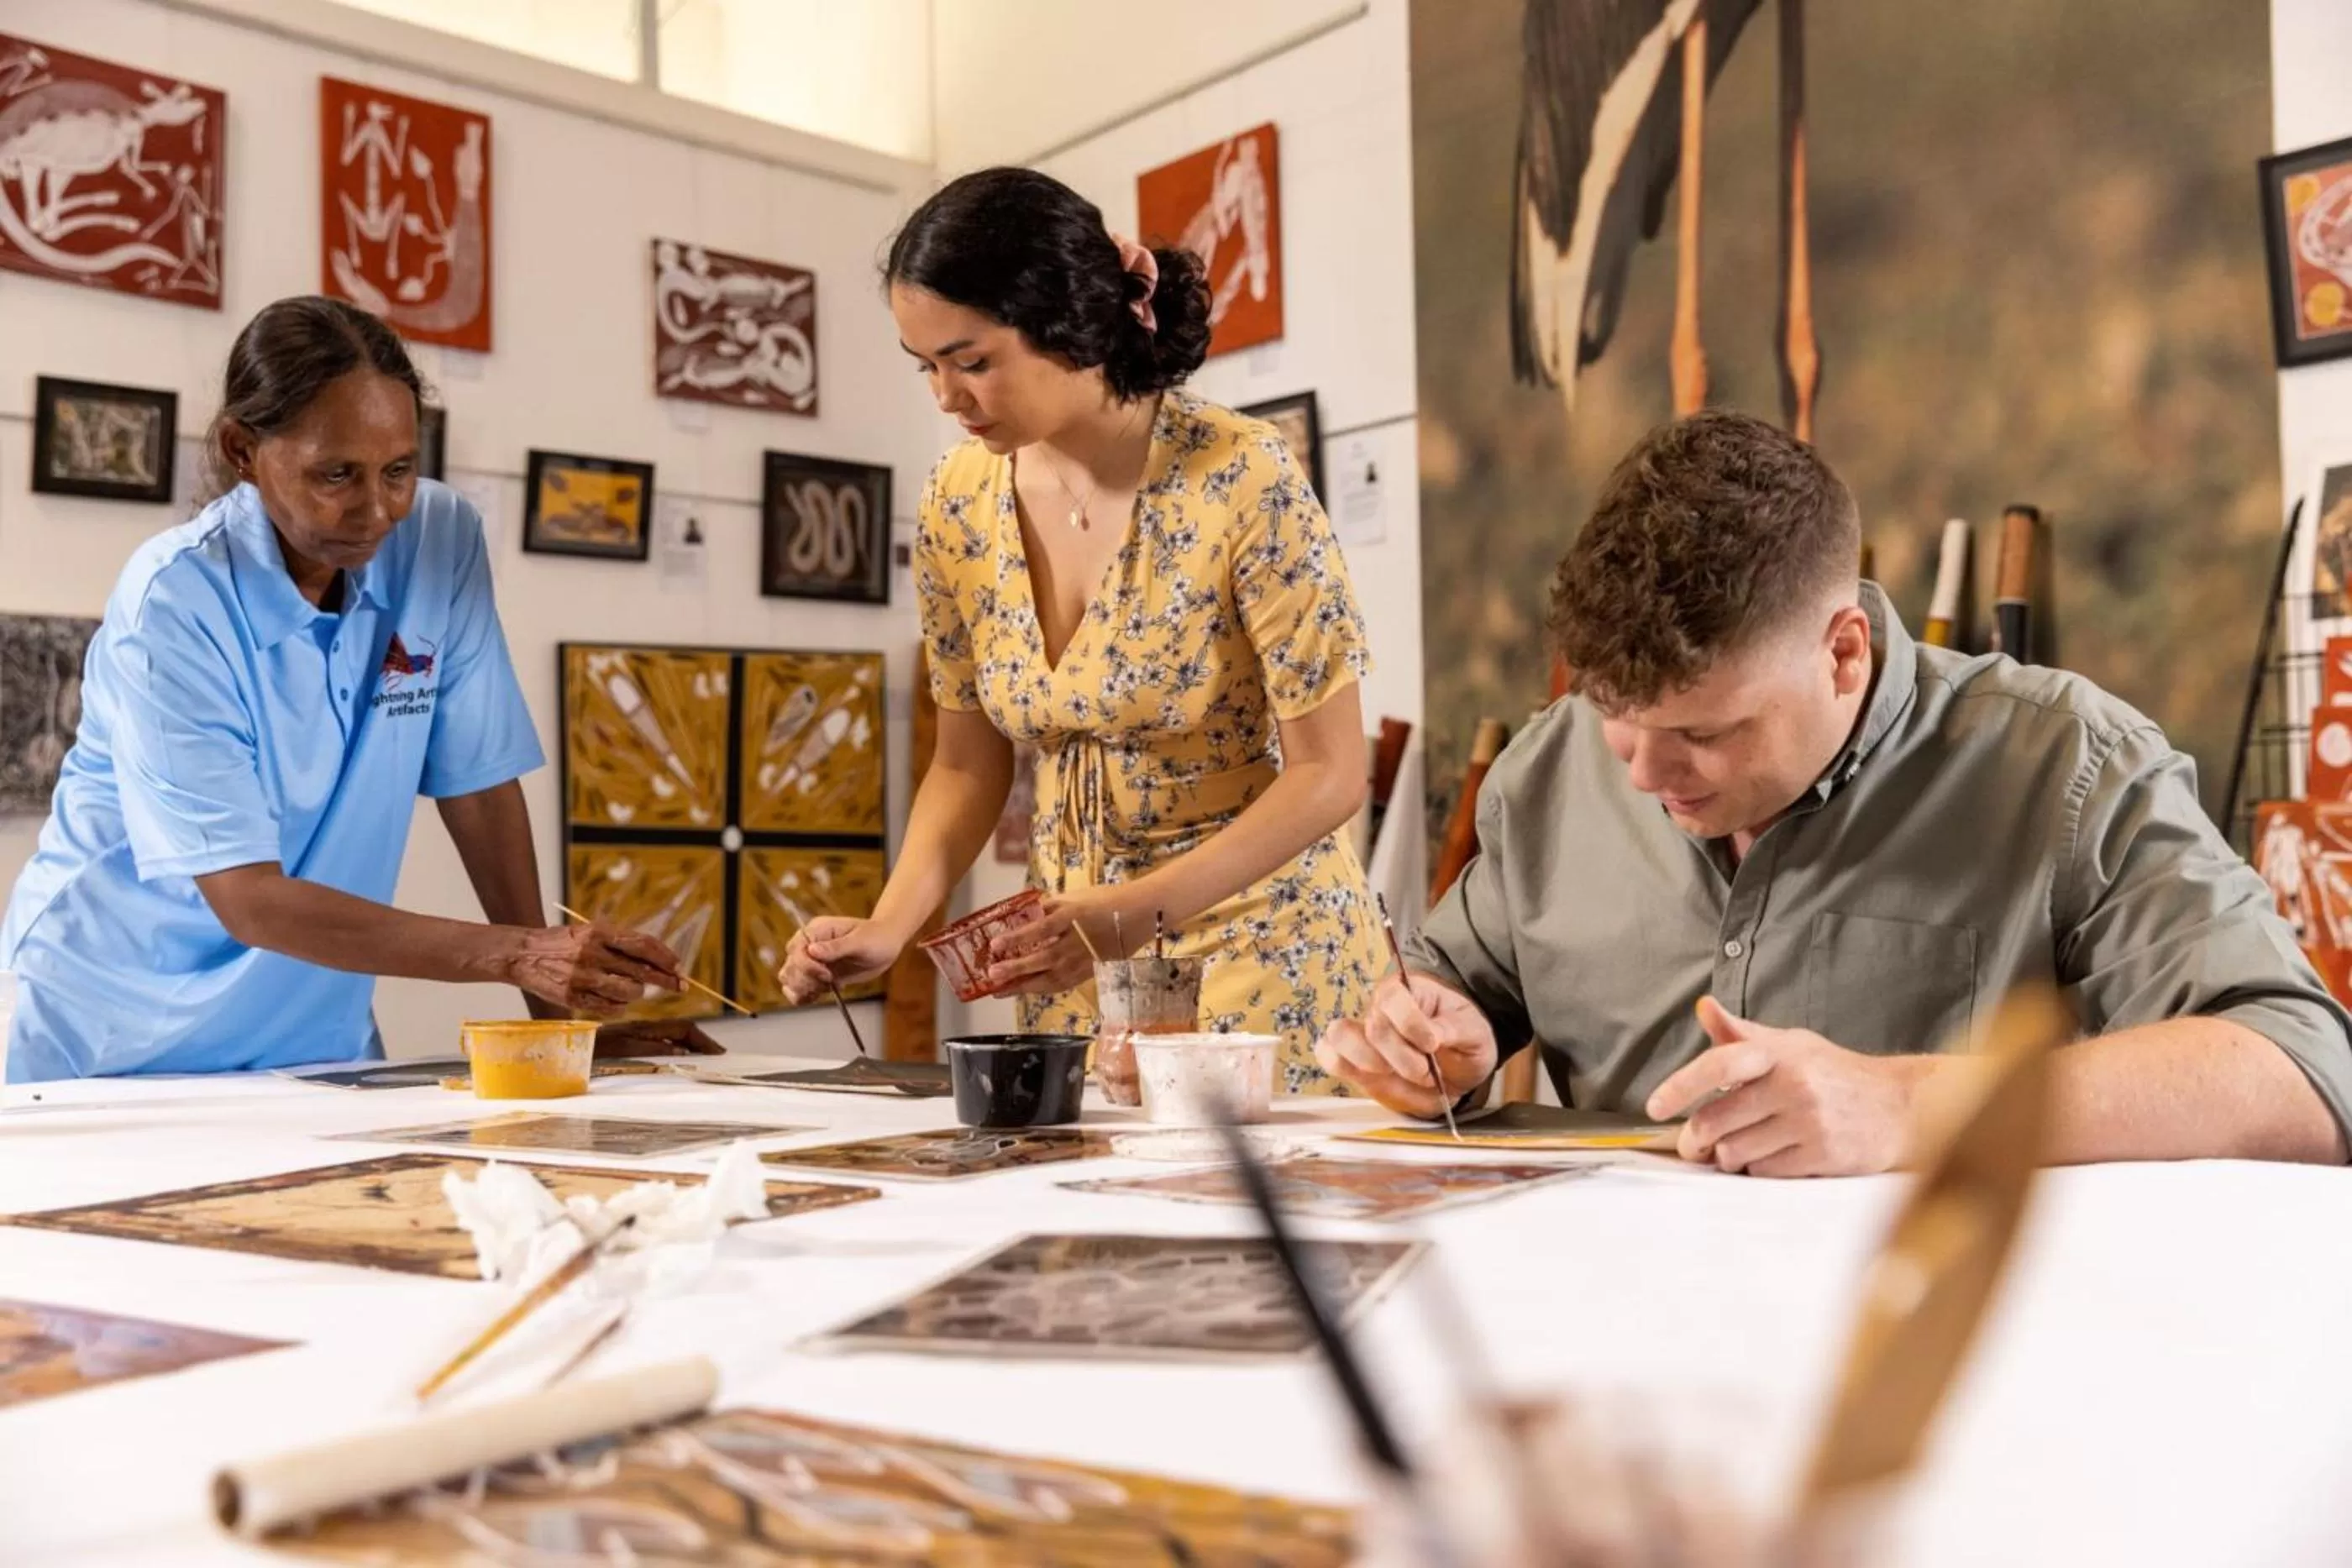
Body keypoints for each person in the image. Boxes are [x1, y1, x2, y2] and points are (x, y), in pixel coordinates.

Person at [1318, 410, 2352, 1172]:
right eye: (1613, 718)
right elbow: (1448, 984)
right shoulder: (1550, 771)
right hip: (1624, 1355)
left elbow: (2305, 1075)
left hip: (1940, 1368)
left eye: (1703, 732)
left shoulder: (2070, 766)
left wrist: (1910, 1105)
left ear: (1844, 652)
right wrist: (1426, 1036)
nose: (1639, 772)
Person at [777, 167, 1383, 1088]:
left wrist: (1124, 917)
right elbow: (964, 761)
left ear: (1069, 324)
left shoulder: (1242, 476)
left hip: (1263, 944)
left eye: (971, 361)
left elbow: (1330, 773)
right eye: (925, 365)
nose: (945, 395)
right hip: (1066, 954)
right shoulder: (956, 502)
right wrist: (889, 926)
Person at [0, 296, 708, 1081]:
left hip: (311, 1032)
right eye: (336, 473)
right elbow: (249, 898)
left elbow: (477, 790)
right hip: (114, 1033)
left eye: (399, 469)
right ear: (242, 448)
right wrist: (521, 953)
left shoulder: (438, 538)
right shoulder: (173, 602)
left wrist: (562, 1022)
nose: (377, 511)